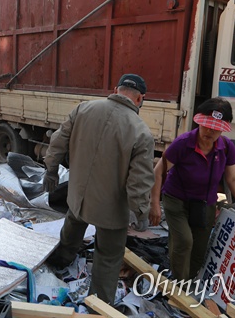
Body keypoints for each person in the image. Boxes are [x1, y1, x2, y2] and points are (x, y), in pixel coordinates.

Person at [44, 73, 155, 304]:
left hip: (78, 195)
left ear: (116, 89)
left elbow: (58, 142)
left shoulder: (83, 110)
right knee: (108, 257)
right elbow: (139, 181)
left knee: (72, 227)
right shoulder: (141, 131)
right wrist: (141, 213)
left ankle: (60, 260)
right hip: (111, 209)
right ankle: (99, 304)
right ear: (140, 99)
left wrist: (51, 170)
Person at [149, 97, 235, 281]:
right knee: (184, 241)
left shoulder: (226, 147)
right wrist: (154, 204)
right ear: (198, 121)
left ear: (224, 127)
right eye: (206, 125)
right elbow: (158, 172)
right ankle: (179, 286)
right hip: (176, 200)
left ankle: (189, 281)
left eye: (216, 127)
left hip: (205, 203)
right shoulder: (183, 143)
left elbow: (233, 178)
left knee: (199, 248)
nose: (209, 131)